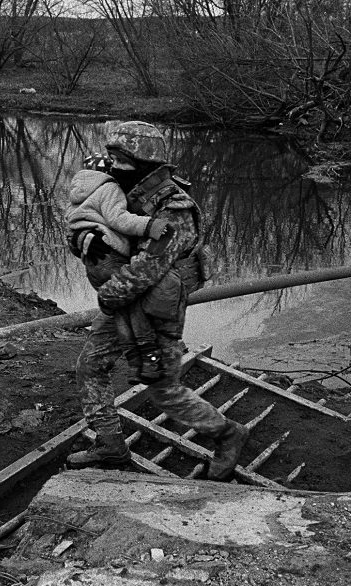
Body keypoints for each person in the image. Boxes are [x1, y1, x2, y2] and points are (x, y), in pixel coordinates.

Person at [66, 120, 250, 480]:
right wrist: (84, 240)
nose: (113, 167)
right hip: (121, 303)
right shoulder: (123, 191)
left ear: (144, 160)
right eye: (111, 158)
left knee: (162, 386)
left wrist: (107, 294)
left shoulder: (174, 208)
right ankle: (110, 446)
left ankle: (227, 435)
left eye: (121, 159)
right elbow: (90, 222)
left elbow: (147, 269)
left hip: (154, 310)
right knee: (90, 367)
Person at [65, 153, 172, 383]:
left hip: (93, 267)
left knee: (121, 311)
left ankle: (136, 365)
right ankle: (150, 361)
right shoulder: (110, 188)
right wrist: (150, 226)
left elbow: (71, 224)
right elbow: (119, 219)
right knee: (135, 310)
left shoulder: (79, 192)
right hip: (112, 260)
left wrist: (79, 237)